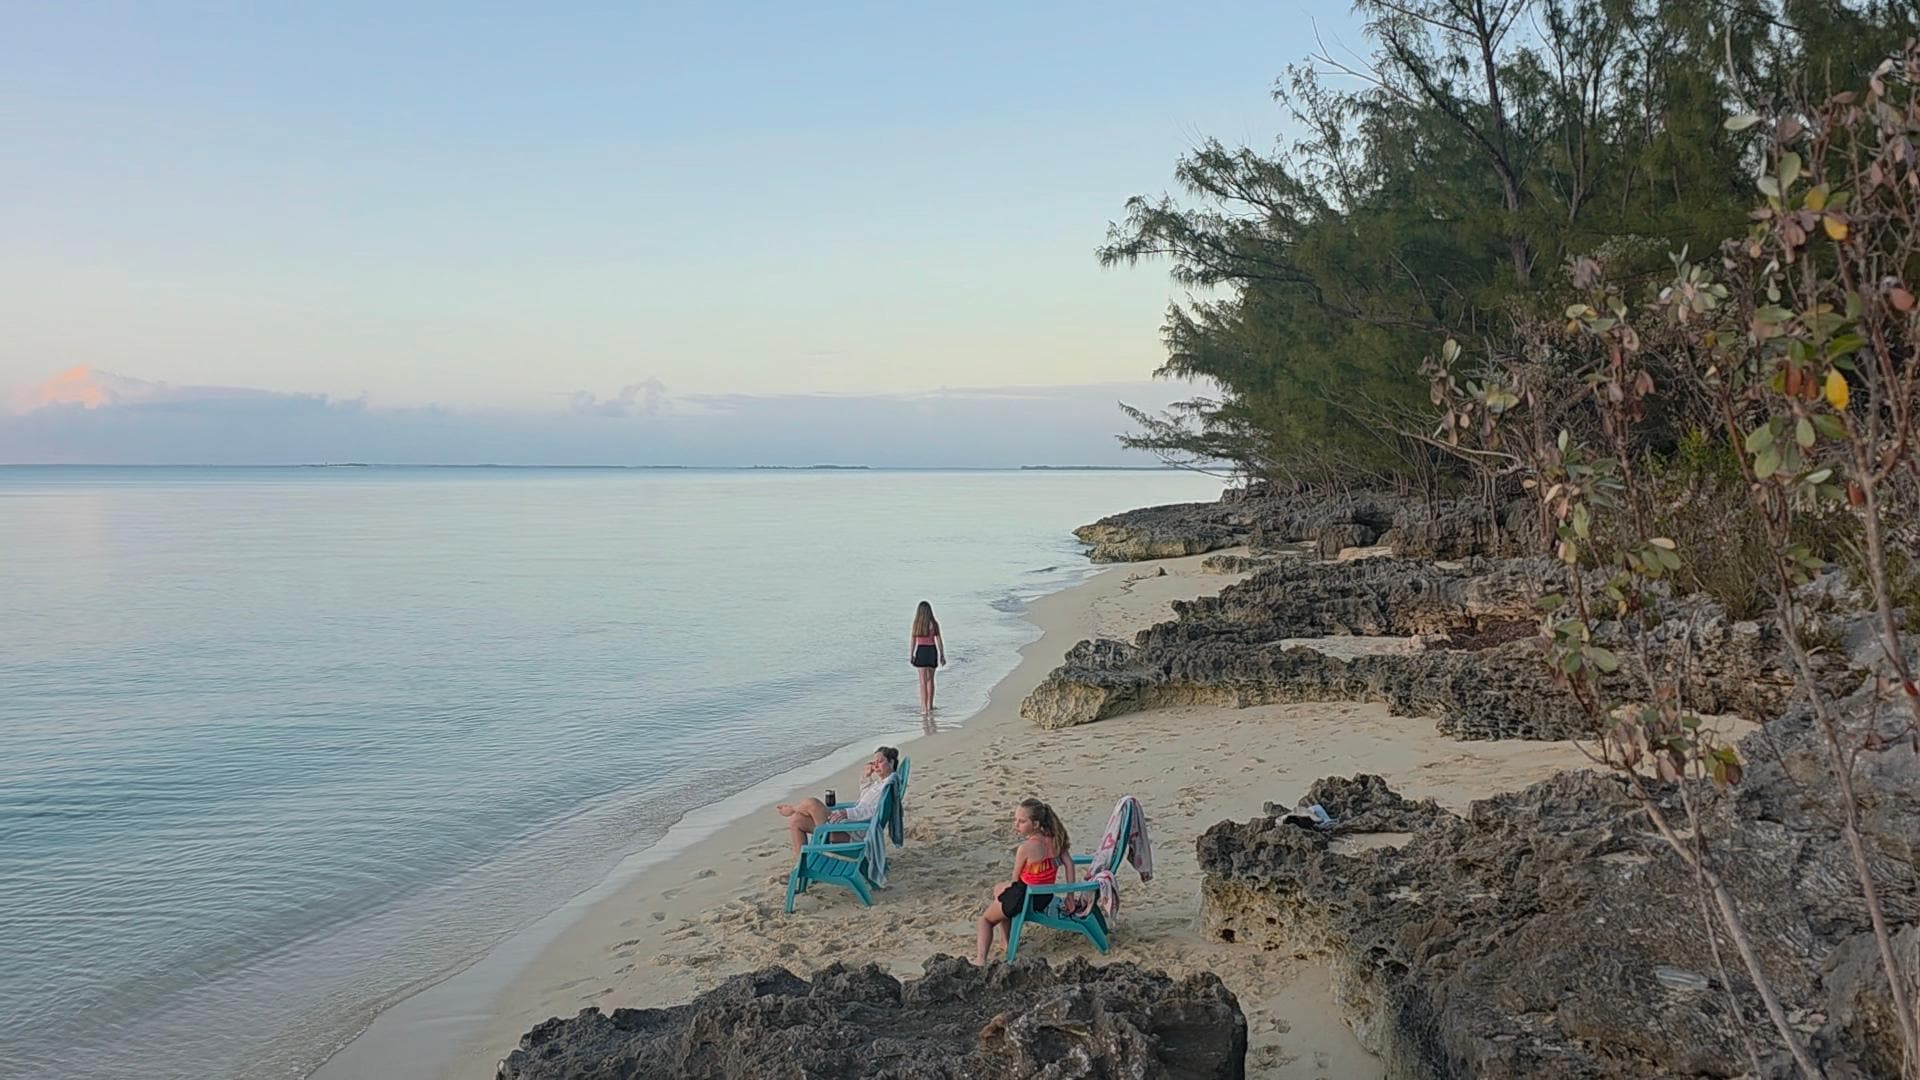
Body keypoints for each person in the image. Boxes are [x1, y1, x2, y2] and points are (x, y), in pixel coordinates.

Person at [973, 798, 1072, 965]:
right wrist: (1070, 895)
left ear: (1035, 824)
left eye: (1021, 821)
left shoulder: (1025, 849)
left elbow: (1015, 879)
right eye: (1015, 820)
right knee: (1000, 890)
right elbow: (1069, 865)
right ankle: (1006, 942)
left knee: (986, 920)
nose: (1016, 825)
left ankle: (980, 959)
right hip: (1043, 897)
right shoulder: (1056, 841)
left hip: (1025, 899)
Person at [774, 747, 898, 856]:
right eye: (874, 762)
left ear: (891, 763)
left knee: (812, 803)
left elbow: (875, 810)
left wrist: (846, 813)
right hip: (850, 826)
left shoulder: (888, 785)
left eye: (880, 762)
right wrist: (866, 777)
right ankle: (801, 866)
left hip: (853, 833)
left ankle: (790, 809)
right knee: (796, 820)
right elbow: (866, 801)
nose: (875, 766)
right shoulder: (883, 783)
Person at [909, 601, 946, 719]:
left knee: (922, 682)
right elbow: (939, 641)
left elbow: (913, 641)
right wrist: (942, 655)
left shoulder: (917, 624)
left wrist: (911, 654)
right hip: (932, 651)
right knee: (930, 680)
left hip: (921, 651)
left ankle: (924, 708)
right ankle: (930, 705)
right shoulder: (934, 623)